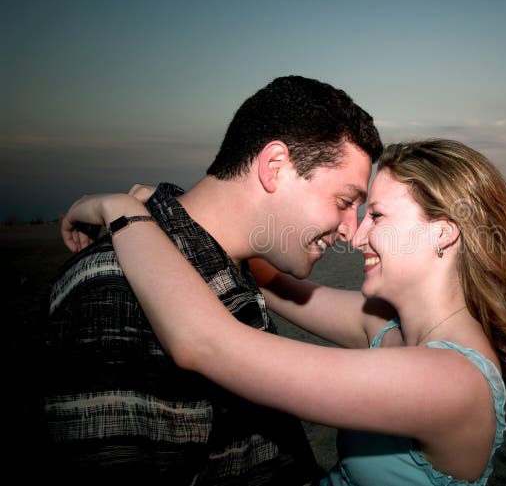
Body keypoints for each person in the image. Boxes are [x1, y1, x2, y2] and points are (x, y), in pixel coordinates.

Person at [61, 139, 506, 485]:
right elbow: (277, 284)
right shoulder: (386, 327)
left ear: (444, 233)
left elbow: (204, 344)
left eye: (376, 216)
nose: (355, 237)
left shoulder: (449, 382)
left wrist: (120, 212)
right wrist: (170, 210)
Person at [41, 75, 383, 485]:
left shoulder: (232, 266)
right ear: (274, 167)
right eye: (345, 202)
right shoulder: (114, 288)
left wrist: (136, 211)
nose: (351, 229)